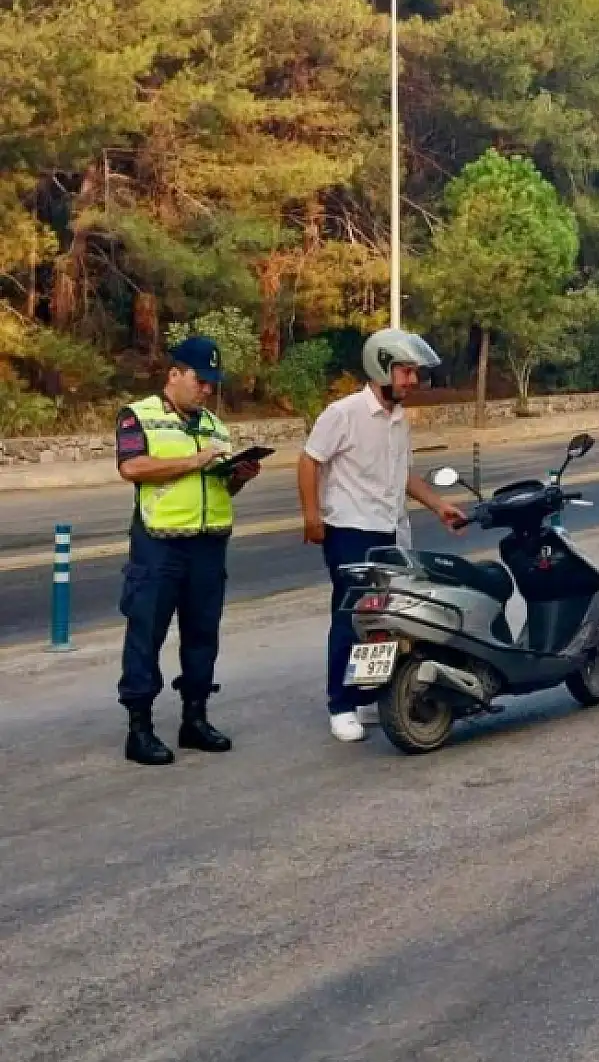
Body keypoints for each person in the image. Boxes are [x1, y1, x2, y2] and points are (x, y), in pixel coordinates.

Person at [297, 328, 466, 742]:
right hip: (350, 530)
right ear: (382, 368)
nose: (413, 382)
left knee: (391, 618)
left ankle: (371, 694)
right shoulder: (344, 413)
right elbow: (308, 461)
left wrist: (438, 505)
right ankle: (341, 705)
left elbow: (401, 474)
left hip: (390, 530)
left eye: (415, 374)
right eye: (406, 372)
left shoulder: (398, 419)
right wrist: (311, 516)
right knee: (351, 616)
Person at [115, 336, 261, 765]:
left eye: (212, 383)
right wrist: (195, 461)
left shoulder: (215, 425)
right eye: (200, 381)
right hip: (159, 546)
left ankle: (194, 719)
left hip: (208, 546)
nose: (206, 390)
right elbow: (132, 468)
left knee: (202, 636)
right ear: (174, 375)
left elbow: (223, 488)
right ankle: (139, 728)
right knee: (146, 635)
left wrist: (240, 475)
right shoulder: (138, 416)